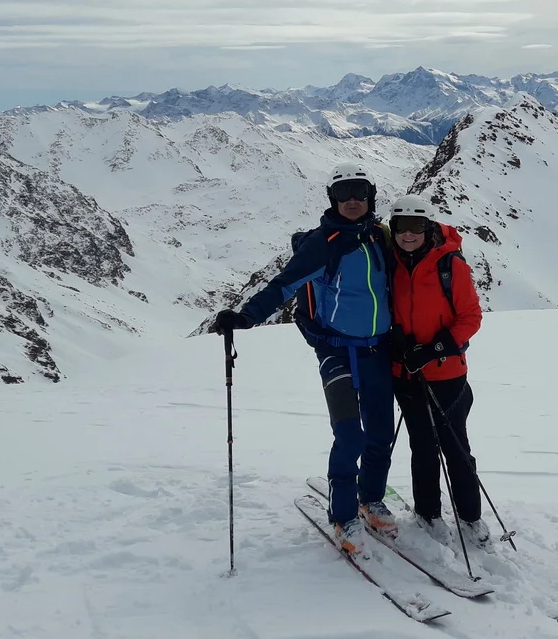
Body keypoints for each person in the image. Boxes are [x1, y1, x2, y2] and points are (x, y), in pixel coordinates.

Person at [208, 162, 398, 555]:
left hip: (378, 349)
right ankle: (343, 516)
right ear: (332, 198)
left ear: (370, 196)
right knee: (350, 435)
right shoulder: (323, 243)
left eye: (359, 192)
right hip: (336, 350)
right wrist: (244, 316)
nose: (351, 200)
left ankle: (371, 499)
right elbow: (283, 285)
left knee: (381, 434)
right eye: (343, 193)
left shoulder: (381, 237)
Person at [385, 194, 491, 548]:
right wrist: (396, 341)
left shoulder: (450, 264)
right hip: (406, 374)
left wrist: (435, 349)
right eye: (401, 226)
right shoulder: (390, 262)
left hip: (447, 375)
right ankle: (428, 512)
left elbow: (470, 317)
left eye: (416, 226)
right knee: (423, 447)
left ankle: (470, 516)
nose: (408, 234)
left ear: (428, 228)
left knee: (456, 447)